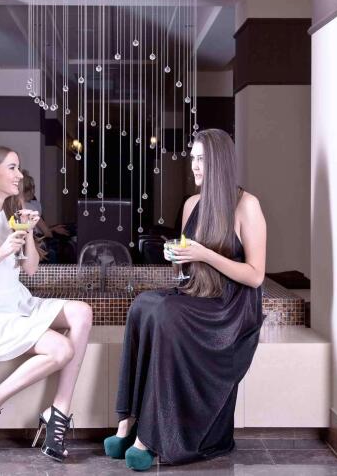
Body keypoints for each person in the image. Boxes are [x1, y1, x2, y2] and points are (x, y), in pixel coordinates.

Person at [103, 128, 267, 471]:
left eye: (202, 159)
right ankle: (126, 424)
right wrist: (177, 256)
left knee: (165, 313)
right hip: (197, 293)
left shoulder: (247, 206)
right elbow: (186, 266)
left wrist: (205, 254)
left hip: (230, 307)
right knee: (142, 306)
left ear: (220, 162)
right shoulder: (192, 204)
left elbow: (255, 275)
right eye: (193, 158)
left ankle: (148, 440)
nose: (194, 166)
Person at [0, 145, 92, 462]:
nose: (19, 175)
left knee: (82, 311)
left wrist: (26, 231)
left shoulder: (10, 212)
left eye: (18, 167)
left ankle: (58, 411)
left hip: (16, 300)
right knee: (61, 349)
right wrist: (1, 251)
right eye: (12, 168)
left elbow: (30, 269)